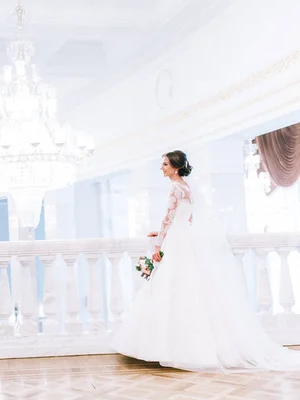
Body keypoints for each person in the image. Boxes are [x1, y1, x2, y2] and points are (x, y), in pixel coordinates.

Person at [111, 150, 300, 372]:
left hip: (175, 241)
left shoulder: (174, 189)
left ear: (175, 166)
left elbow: (168, 218)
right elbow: (188, 218)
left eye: (164, 164)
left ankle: (171, 348)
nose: (161, 167)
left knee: (172, 288)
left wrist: (158, 245)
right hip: (184, 238)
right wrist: (164, 232)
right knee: (191, 288)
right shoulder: (187, 189)